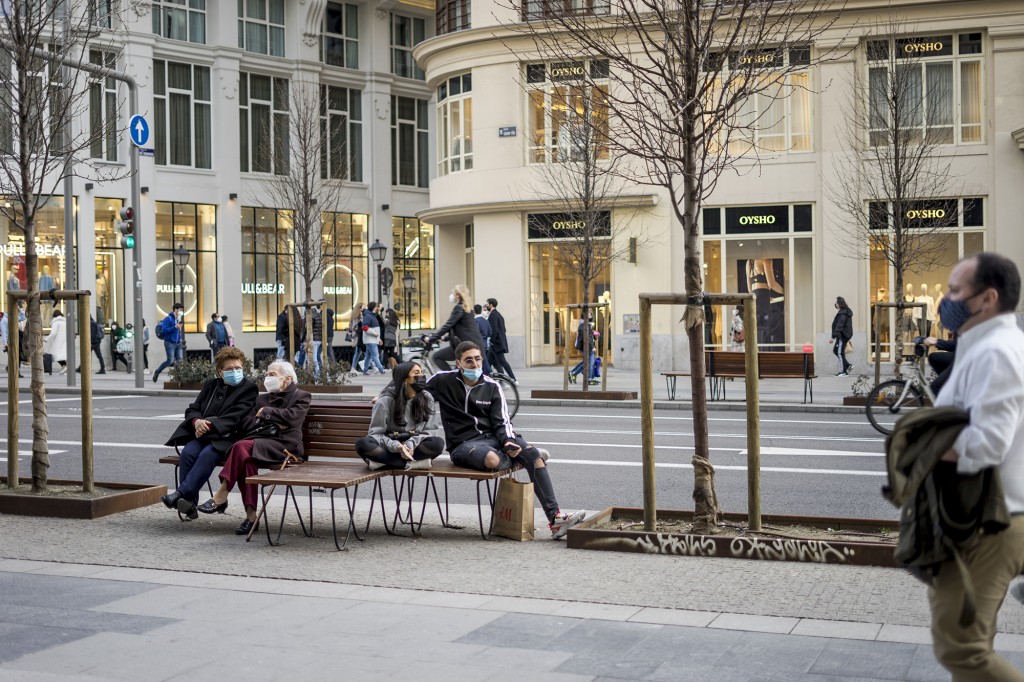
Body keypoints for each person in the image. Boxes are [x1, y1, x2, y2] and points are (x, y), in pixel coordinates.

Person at [927, 252, 1024, 680]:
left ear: (987, 298)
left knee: (962, 648)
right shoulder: (980, 346)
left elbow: (986, 444)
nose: (945, 300)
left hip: (989, 520)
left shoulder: (997, 353)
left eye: (954, 291)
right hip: (977, 514)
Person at [426, 341, 585, 539]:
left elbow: (502, 422)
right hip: (463, 445)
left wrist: (508, 442)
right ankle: (521, 456)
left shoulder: (492, 387)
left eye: (477, 359)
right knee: (495, 460)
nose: (475, 365)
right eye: (469, 361)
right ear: (458, 363)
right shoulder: (442, 380)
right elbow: (412, 386)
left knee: (533, 457)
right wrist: (384, 395)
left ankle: (555, 519)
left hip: (494, 439)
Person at [197, 360, 310, 535]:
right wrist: (275, 421)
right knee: (247, 463)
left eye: (272, 375)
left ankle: (222, 493)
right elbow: (246, 424)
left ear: (287, 379)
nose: (267, 378)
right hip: (258, 443)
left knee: (241, 446)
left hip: (285, 448)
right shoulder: (262, 398)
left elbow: (293, 418)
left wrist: (266, 413)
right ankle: (251, 518)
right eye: (266, 374)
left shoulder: (300, 396)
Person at [160, 347, 259, 519]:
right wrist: (197, 422)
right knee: (188, 453)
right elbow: (193, 408)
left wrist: (208, 424)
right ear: (220, 371)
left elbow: (236, 416)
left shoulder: (249, 388)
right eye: (229, 369)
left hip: (228, 438)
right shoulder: (211, 385)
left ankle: (182, 495)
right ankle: (190, 502)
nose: (235, 372)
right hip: (203, 434)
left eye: (238, 368)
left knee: (207, 454)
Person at [355, 361, 444, 471]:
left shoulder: (427, 398)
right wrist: (396, 447)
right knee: (362, 444)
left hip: (415, 446)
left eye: (421, 372)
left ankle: (384, 463)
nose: (421, 376)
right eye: (416, 373)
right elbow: (376, 434)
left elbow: (430, 431)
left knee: (437, 444)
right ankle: (411, 463)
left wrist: (410, 444)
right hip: (389, 445)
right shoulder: (385, 401)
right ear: (405, 379)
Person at [427, 284, 485, 372]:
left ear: (458, 295)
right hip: (472, 344)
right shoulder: (467, 308)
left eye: (453, 293)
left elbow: (448, 325)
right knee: (460, 370)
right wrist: (445, 338)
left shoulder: (459, 308)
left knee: (436, 357)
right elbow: (462, 329)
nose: (451, 295)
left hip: (465, 347)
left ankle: (451, 378)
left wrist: (432, 338)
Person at [484, 298, 517, 382]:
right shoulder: (499, 314)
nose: (487, 306)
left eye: (487, 304)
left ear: (491, 305)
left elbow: (493, 330)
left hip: (496, 344)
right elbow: (504, 329)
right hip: (497, 343)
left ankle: (513, 379)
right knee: (487, 362)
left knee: (502, 362)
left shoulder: (493, 315)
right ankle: (485, 379)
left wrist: (492, 341)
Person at [153, 303, 183, 383]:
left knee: (180, 360)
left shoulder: (178, 319)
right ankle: (157, 371)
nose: (181, 312)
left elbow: (178, 331)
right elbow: (164, 330)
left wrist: (180, 338)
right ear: (175, 310)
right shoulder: (168, 318)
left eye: (182, 310)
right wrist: (174, 327)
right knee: (170, 361)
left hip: (178, 343)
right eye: (180, 310)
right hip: (170, 342)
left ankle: (178, 378)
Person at [568, 316, 598, 385]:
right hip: (587, 348)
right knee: (590, 363)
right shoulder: (583, 325)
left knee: (586, 362)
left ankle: (573, 373)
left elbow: (589, 336)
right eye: (589, 312)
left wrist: (594, 336)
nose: (590, 314)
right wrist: (592, 346)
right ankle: (589, 379)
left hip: (588, 347)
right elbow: (586, 337)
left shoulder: (586, 324)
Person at [829, 296, 854, 376]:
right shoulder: (844, 312)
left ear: (839, 304)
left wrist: (833, 337)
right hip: (841, 336)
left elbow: (839, 325)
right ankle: (847, 366)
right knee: (836, 351)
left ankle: (843, 371)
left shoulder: (843, 313)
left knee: (839, 353)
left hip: (842, 336)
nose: (835, 304)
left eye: (836, 303)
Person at [360, 302, 387, 375]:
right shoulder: (369, 316)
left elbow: (366, 328)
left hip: (371, 339)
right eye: (376, 307)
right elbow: (364, 327)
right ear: (373, 307)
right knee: (375, 355)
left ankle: (365, 370)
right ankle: (381, 369)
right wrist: (375, 334)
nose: (377, 308)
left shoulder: (369, 315)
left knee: (368, 356)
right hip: (371, 339)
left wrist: (378, 339)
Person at [296, 306, 324, 376]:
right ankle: (313, 372)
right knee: (314, 356)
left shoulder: (312, 317)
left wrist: (306, 339)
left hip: (313, 340)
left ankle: (317, 374)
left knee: (313, 358)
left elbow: (308, 328)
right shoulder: (319, 316)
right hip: (319, 340)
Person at [44, 309, 68, 375]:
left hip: (58, 341)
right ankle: (64, 367)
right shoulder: (65, 322)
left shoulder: (56, 322)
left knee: (56, 356)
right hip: (65, 341)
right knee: (62, 355)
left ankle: (65, 365)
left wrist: (46, 339)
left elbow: (53, 333)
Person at [349, 303, 366, 375]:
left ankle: (353, 368)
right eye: (363, 308)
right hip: (358, 337)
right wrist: (361, 321)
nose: (365, 309)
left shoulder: (358, 316)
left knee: (358, 353)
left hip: (359, 336)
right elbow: (354, 327)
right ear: (359, 308)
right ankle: (374, 367)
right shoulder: (357, 317)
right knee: (365, 352)